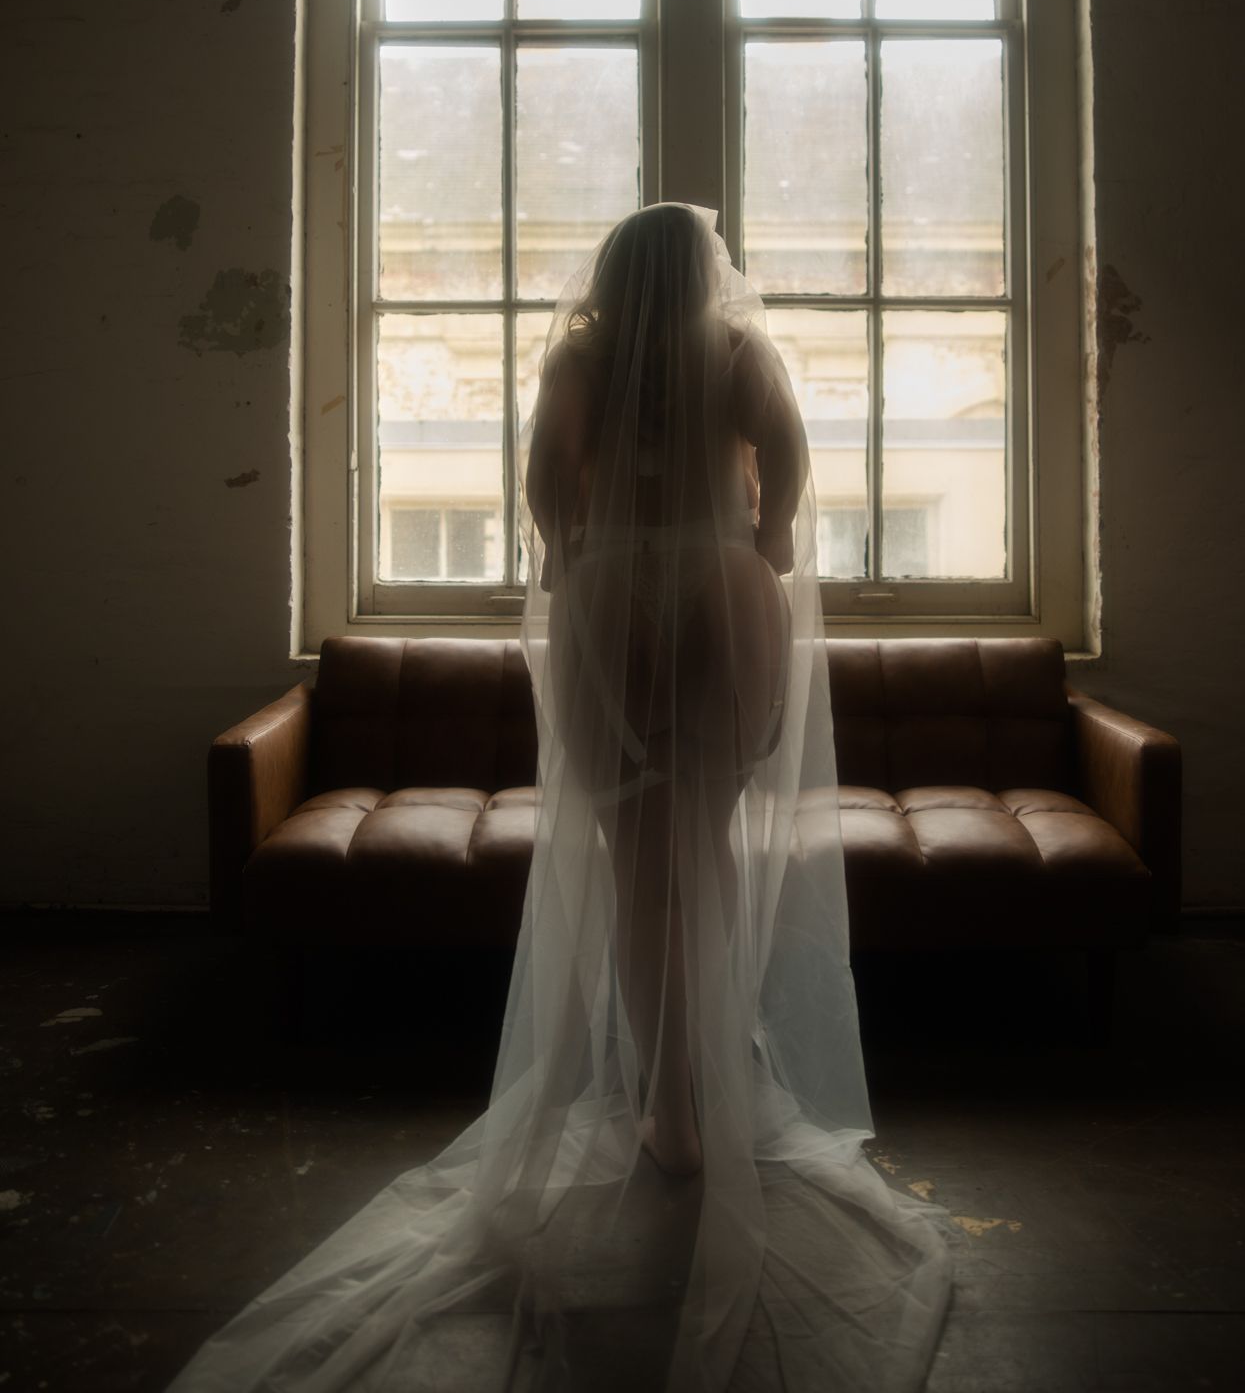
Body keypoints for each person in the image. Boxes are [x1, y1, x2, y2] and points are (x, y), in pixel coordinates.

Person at [163, 203, 954, 1392]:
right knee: (708, 835)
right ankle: (706, 1087)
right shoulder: (733, 350)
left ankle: (669, 1108)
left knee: (634, 847)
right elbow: (784, 454)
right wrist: (768, 532)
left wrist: (570, 554)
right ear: (701, 272)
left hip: (612, 596)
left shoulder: (580, 356)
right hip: (722, 590)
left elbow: (543, 481)